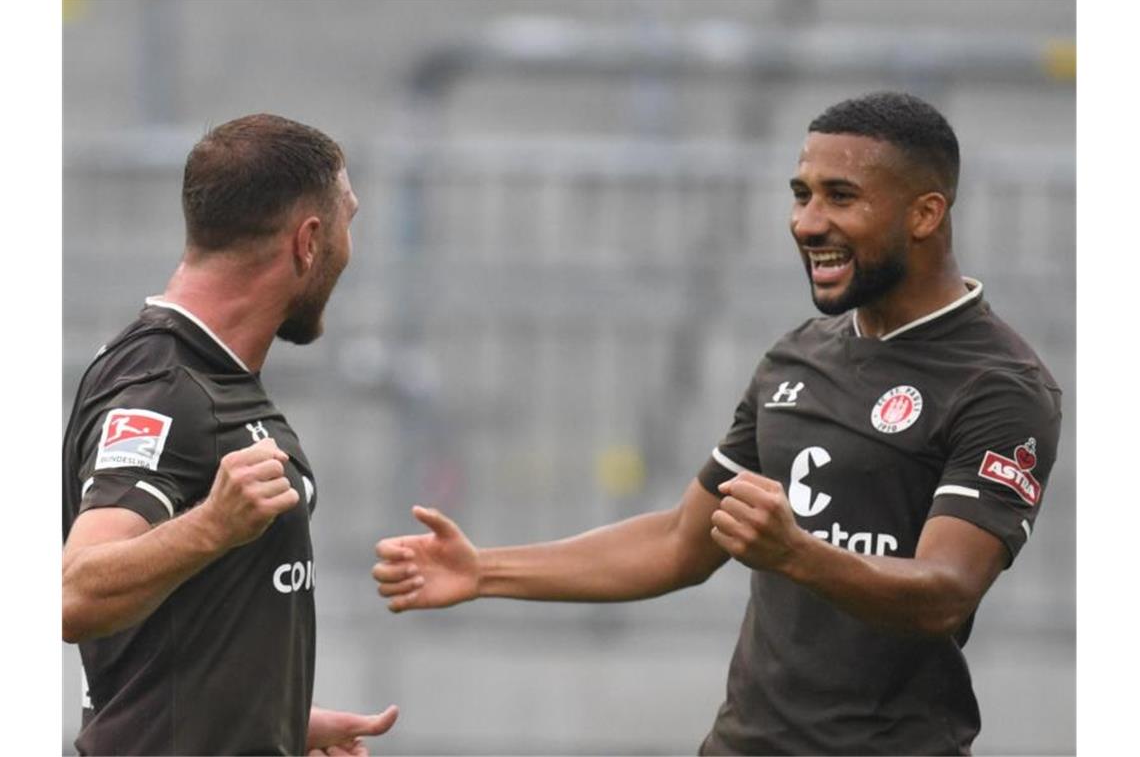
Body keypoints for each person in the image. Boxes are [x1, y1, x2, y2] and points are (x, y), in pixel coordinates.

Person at [372, 92, 1063, 755]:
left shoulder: (999, 386)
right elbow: (680, 542)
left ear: (925, 213)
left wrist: (799, 554)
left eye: (840, 197)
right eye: (802, 194)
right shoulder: (797, 357)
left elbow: (945, 591)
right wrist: (484, 570)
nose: (807, 222)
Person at [62, 113, 398, 755]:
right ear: (307, 241)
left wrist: (277, 719)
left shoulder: (211, 374)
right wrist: (213, 524)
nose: (349, 251)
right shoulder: (163, 388)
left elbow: (177, 638)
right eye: (348, 223)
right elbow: (76, 591)